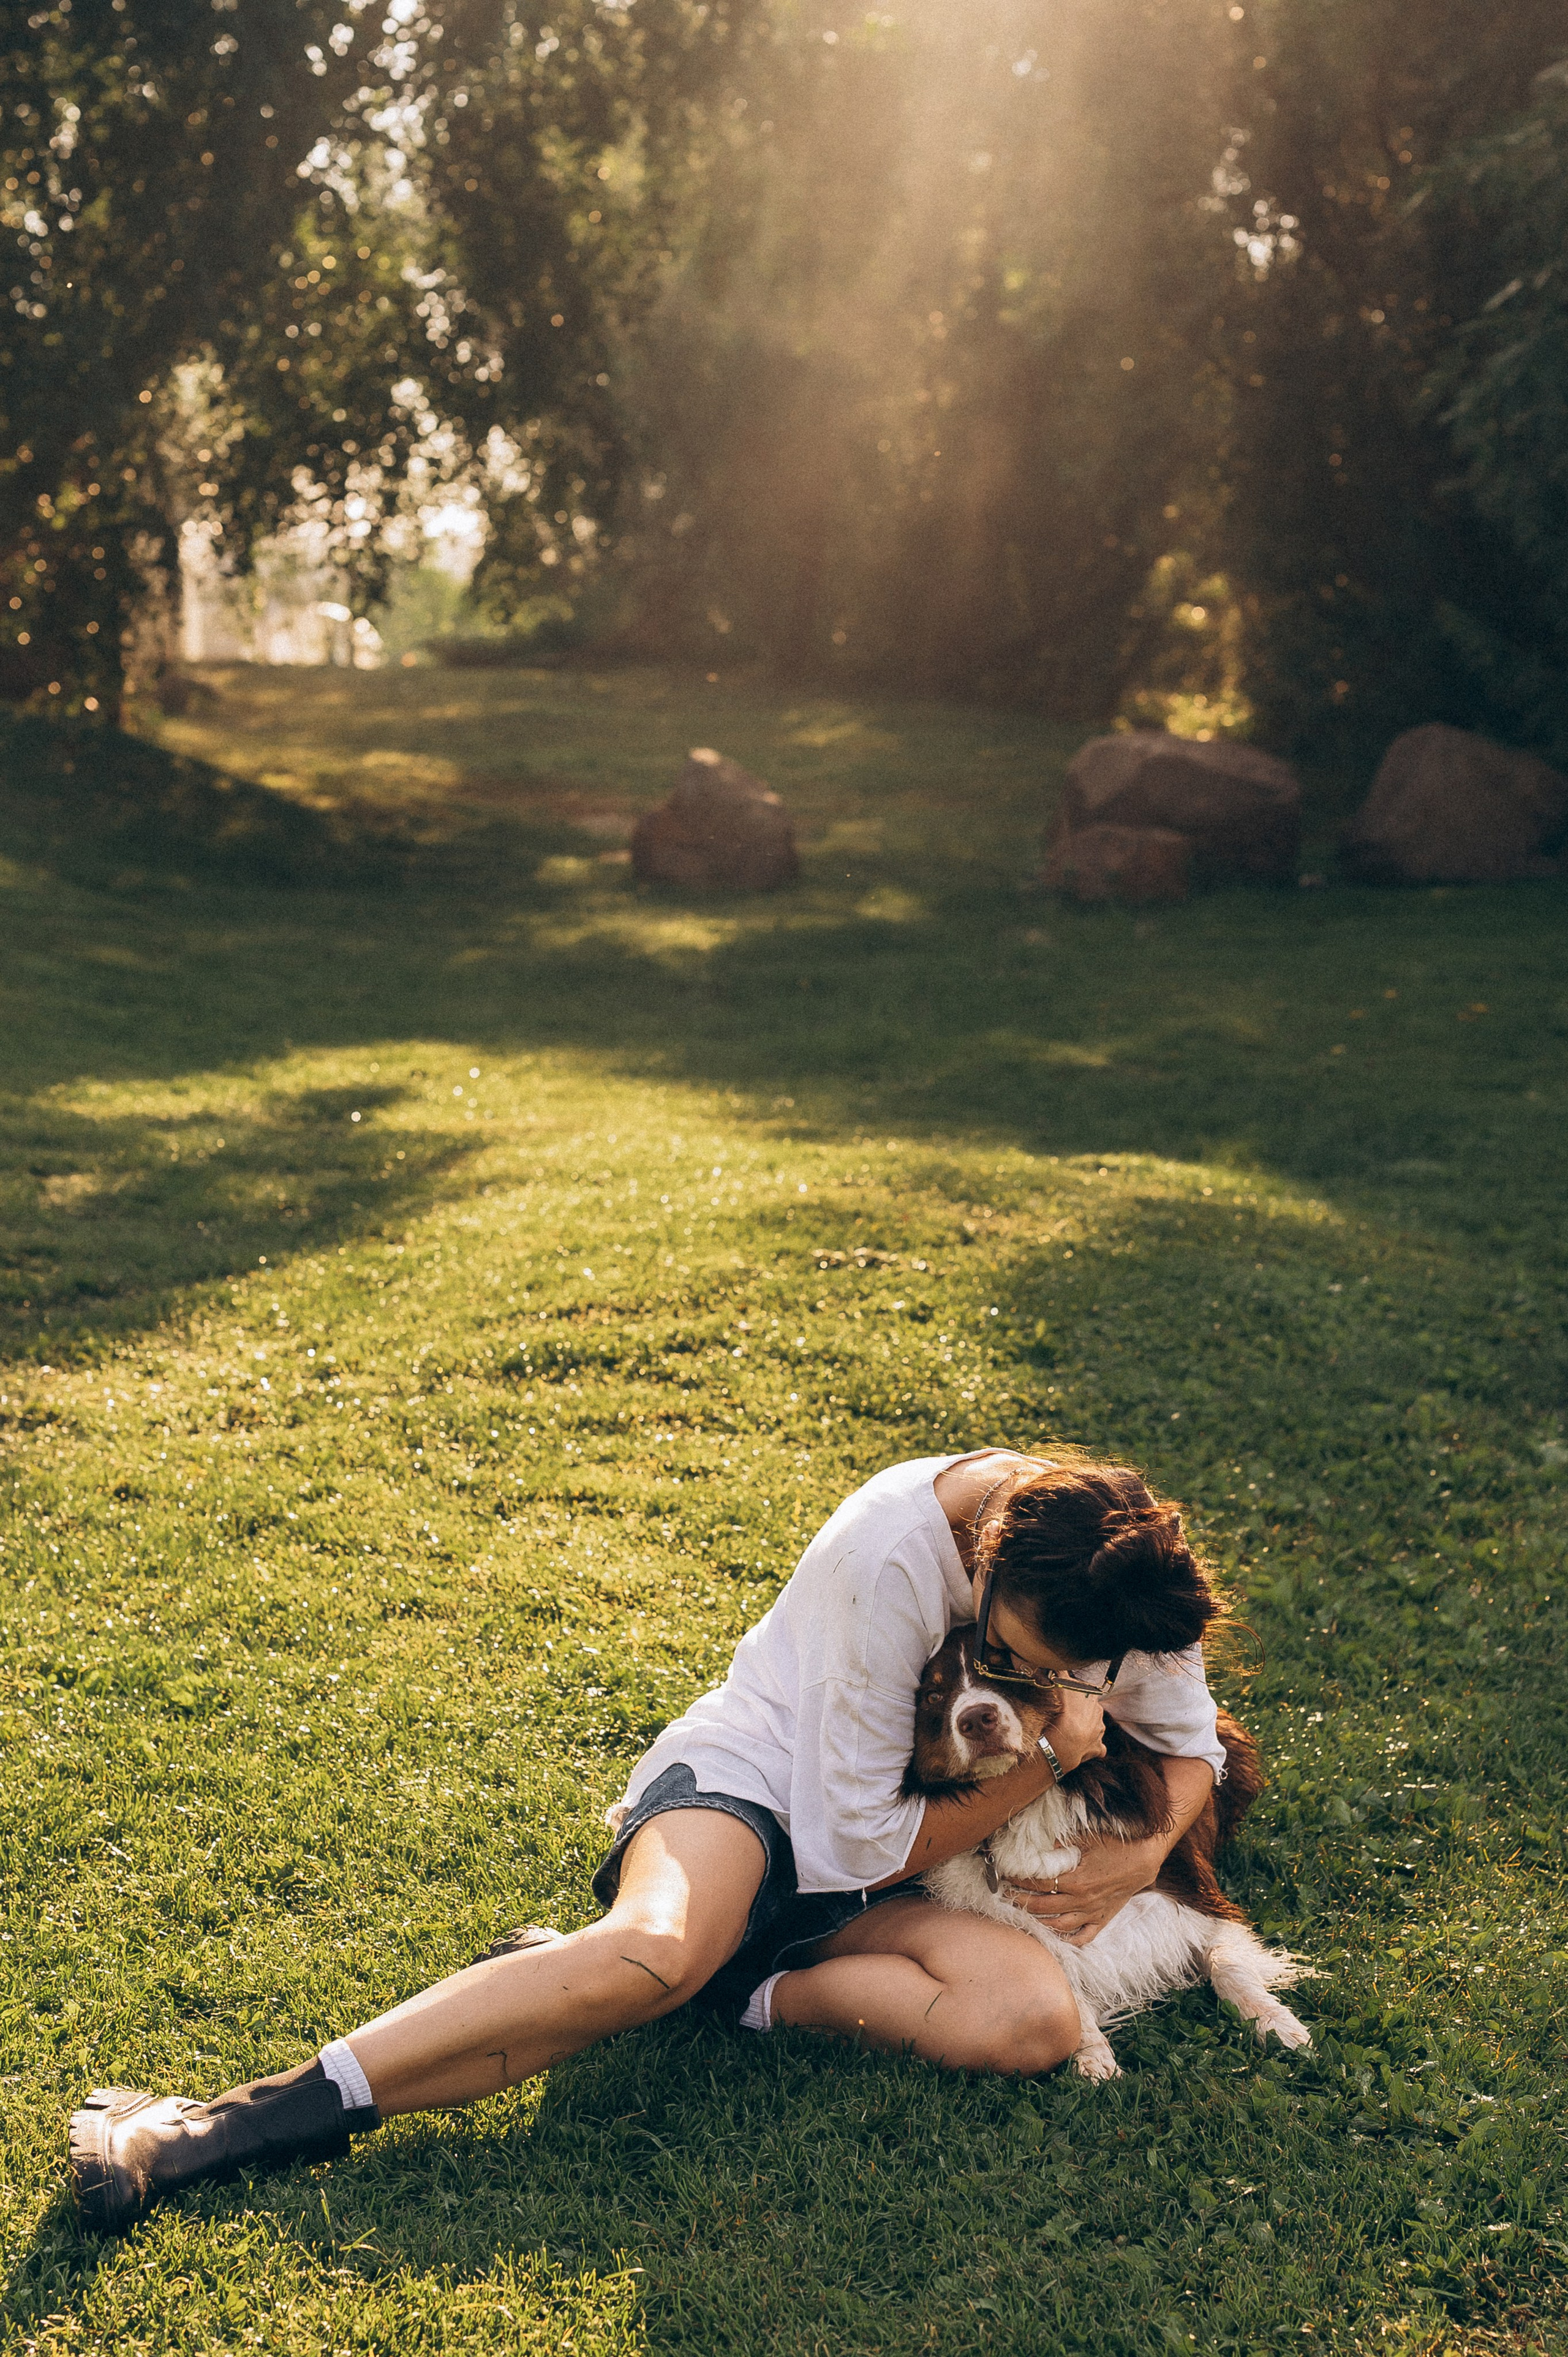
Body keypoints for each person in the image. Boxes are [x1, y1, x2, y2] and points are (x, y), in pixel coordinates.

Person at [69, 1448, 1227, 2231]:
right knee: (653, 1949)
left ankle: (732, 1993)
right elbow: (855, 1835)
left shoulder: (1118, 1585)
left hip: (881, 1873)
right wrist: (1048, 1754)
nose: (1048, 1685)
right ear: (986, 1565)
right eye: (1021, 1659)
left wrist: (1144, 1844)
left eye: (1071, 1678)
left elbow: (1189, 1751)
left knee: (1031, 2017)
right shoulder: (888, 1552)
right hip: (762, 1801)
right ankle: (217, 2123)